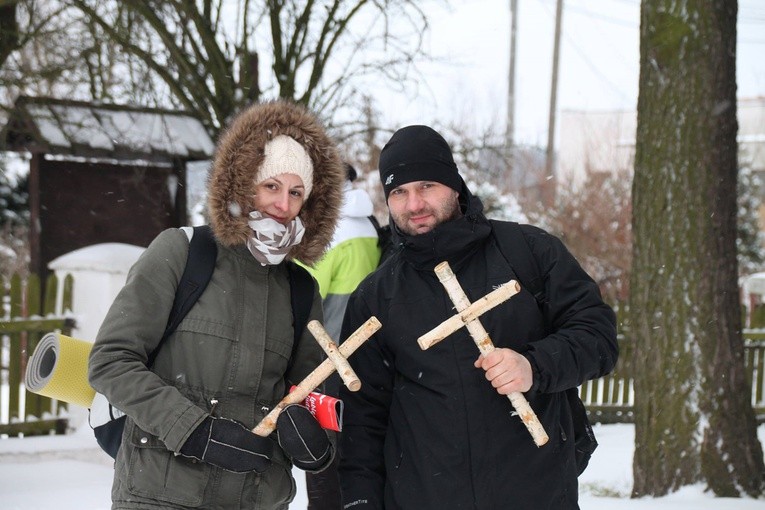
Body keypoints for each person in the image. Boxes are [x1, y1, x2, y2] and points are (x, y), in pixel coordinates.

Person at [337, 125, 619, 509]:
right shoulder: (376, 297)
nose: (414, 204)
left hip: (536, 493)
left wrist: (534, 365)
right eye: (398, 192)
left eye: (426, 186)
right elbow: (363, 420)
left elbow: (597, 336)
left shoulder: (528, 252)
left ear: (454, 185)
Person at [88, 100, 346, 509]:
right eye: (271, 186)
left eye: (296, 192)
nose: (283, 205)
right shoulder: (182, 253)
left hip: (256, 498)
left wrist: (315, 441)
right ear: (243, 185)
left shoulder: (300, 289)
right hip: (160, 495)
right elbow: (111, 361)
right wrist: (192, 429)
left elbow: (306, 394)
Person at [299, 162, 381, 510]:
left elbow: (296, 299)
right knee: (358, 467)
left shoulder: (326, 235)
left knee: (323, 468)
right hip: (368, 362)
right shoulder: (368, 225)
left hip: (326, 367)